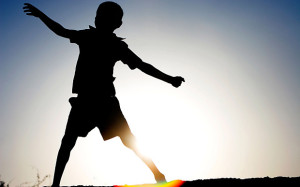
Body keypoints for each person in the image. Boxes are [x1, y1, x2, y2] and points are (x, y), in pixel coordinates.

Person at [23, 2, 185, 186]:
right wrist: (41, 16)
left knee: (125, 140)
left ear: (117, 23)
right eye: (99, 15)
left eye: (105, 16)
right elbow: (62, 31)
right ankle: (56, 185)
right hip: (86, 100)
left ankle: (157, 175)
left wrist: (170, 79)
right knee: (69, 141)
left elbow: (142, 65)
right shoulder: (89, 37)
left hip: (104, 101)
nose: (99, 19)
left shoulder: (114, 45)